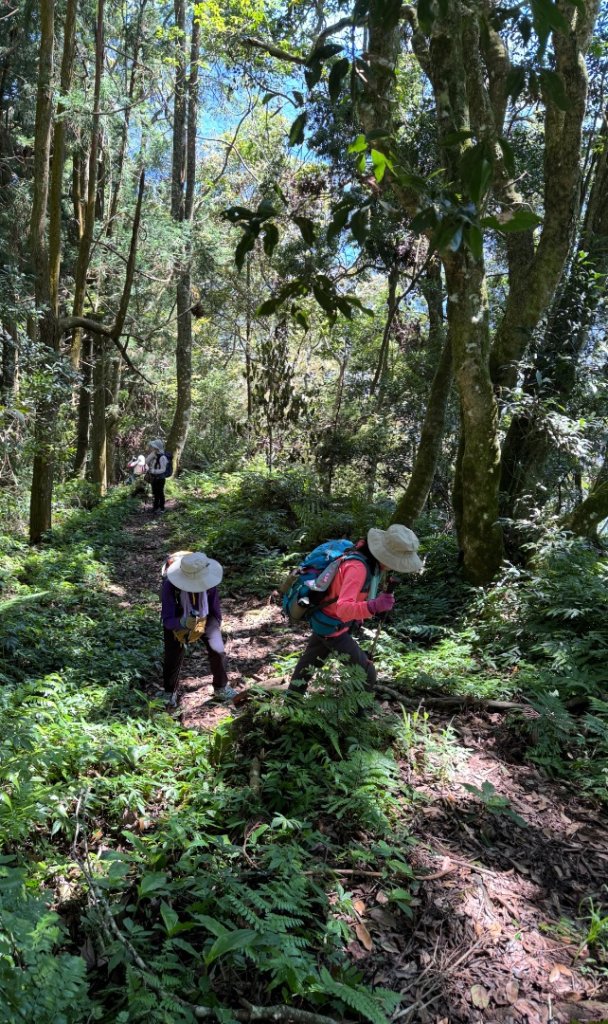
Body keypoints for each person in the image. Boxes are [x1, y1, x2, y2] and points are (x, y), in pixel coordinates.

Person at [289, 524, 423, 693]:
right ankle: (356, 717)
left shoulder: (369, 561)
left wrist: (364, 613)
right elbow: (343, 609)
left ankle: (291, 702)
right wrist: (374, 606)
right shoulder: (357, 568)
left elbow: (349, 594)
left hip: (325, 620)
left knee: (309, 663)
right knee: (367, 674)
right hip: (332, 624)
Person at [161, 550, 237, 707]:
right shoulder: (170, 586)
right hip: (178, 617)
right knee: (173, 654)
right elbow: (167, 618)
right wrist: (182, 623)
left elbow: (215, 608)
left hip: (205, 615)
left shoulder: (209, 582)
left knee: (218, 650)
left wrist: (213, 626)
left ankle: (221, 687)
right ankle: (169, 691)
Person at [145, 439, 167, 513]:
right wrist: (151, 455)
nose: (153, 448)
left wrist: (154, 471)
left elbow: (163, 469)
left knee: (160, 493)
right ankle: (155, 507)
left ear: (157, 447)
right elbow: (146, 461)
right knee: (155, 493)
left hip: (160, 478)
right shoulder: (154, 454)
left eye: (154, 447)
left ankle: (162, 508)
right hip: (153, 478)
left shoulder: (162, 457)